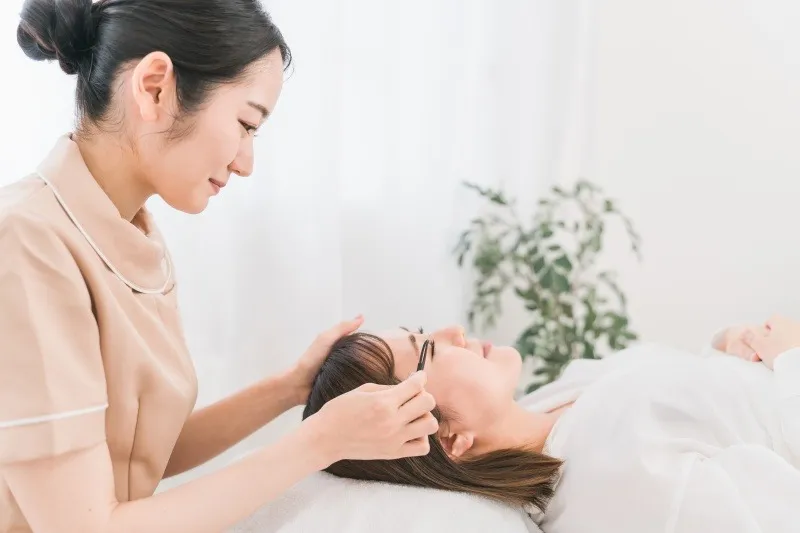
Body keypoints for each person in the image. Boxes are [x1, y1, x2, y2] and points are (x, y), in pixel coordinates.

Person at [0, 1, 439, 532]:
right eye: (246, 123)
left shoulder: (132, 239)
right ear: (155, 87)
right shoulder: (28, 243)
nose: (246, 162)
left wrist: (290, 387)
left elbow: (140, 451)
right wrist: (319, 442)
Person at [302, 319, 800, 533]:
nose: (454, 330)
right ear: (448, 439)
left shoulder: (549, 404)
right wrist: (791, 361)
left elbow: (686, 388)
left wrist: (731, 343)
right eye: (429, 350)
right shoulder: (624, 483)